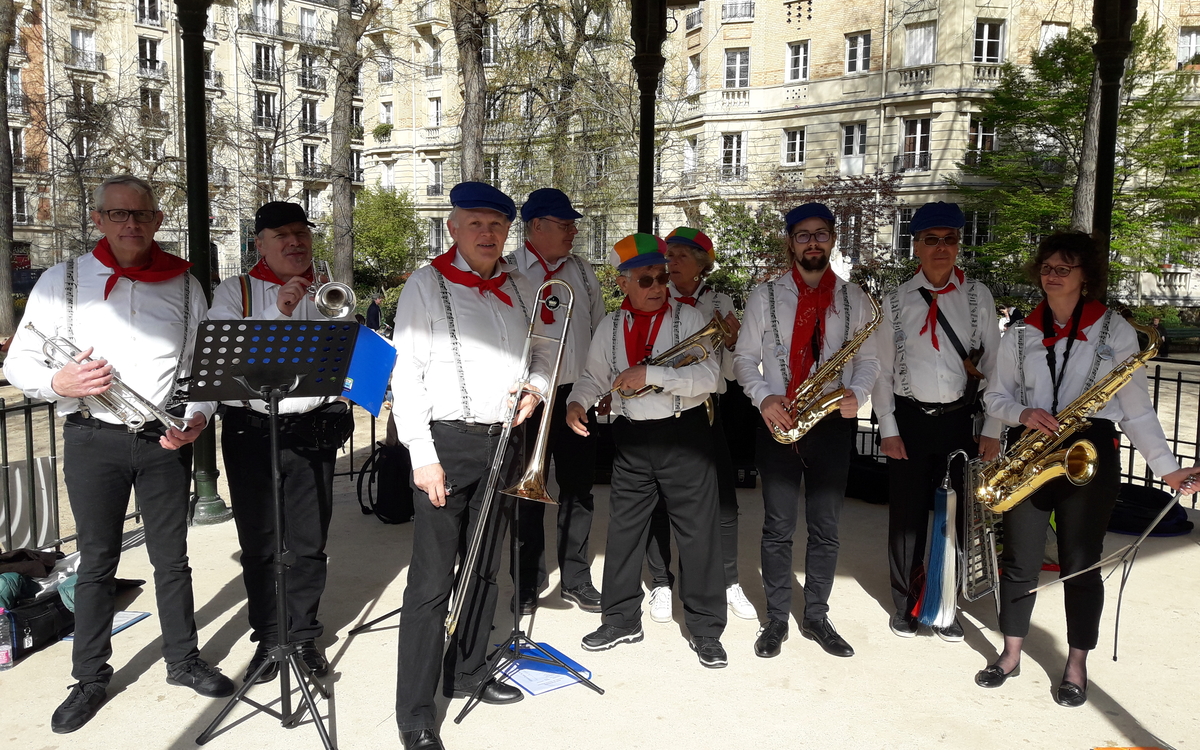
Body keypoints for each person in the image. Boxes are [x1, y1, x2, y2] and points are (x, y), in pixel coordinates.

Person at [3, 174, 234, 733]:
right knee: (97, 562)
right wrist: (59, 380)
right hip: (92, 437)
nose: (131, 224)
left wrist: (198, 417)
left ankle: (182, 660)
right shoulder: (63, 281)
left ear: (156, 221)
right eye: (118, 214)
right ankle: (89, 679)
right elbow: (19, 365)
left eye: (142, 215)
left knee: (172, 560)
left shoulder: (185, 285)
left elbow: (201, 370)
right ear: (99, 220)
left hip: (162, 440)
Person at [975, 231, 1198, 707]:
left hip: (1087, 449)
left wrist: (1168, 468)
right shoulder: (1018, 331)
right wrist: (1020, 415)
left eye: (1063, 268)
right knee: (1018, 559)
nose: (1051, 275)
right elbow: (994, 396)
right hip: (1031, 445)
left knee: (1081, 563)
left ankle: (1076, 663)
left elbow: (1136, 410)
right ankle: (1010, 652)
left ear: (1085, 277)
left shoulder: (1115, 330)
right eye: (1047, 266)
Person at [391, 182, 550, 750]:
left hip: (505, 442)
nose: (488, 234)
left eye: (497, 225)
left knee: (485, 566)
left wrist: (535, 387)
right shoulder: (425, 283)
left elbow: (542, 354)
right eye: (476, 224)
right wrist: (422, 455)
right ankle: (414, 712)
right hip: (447, 442)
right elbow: (405, 372)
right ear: (454, 228)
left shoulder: (522, 284)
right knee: (432, 582)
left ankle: (466, 670)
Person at [206, 202, 355, 685]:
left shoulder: (330, 291)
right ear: (260, 244)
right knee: (260, 542)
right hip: (253, 430)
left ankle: (305, 634)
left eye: (302, 234)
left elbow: (346, 359)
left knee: (310, 542)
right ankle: (270, 638)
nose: (295, 242)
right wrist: (281, 309)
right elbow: (227, 360)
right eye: (282, 235)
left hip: (312, 429)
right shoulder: (235, 292)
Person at [566, 234, 728, 669]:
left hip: (685, 435)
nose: (658, 285)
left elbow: (711, 377)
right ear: (623, 283)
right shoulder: (610, 327)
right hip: (632, 438)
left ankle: (706, 628)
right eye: (646, 279)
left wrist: (652, 373)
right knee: (623, 533)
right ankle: (620, 620)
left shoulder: (691, 318)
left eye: (661, 276)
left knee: (698, 536)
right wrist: (576, 403)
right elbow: (593, 377)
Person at [733, 203, 880, 659]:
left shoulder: (855, 299)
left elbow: (869, 360)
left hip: (832, 422)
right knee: (777, 527)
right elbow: (742, 360)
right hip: (780, 419)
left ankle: (816, 615)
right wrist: (764, 397)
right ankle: (777, 617)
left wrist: (857, 391)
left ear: (833, 240)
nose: (812, 242)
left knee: (827, 526)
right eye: (803, 235)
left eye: (821, 234)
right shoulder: (765, 296)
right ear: (790, 242)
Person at [870, 201, 1002, 641]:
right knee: (906, 517)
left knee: (953, 517)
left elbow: (997, 369)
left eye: (949, 239)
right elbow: (880, 370)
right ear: (916, 247)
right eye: (931, 240)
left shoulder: (978, 296)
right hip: (909, 420)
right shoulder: (894, 300)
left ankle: (945, 604)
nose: (941, 248)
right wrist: (887, 429)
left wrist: (992, 429)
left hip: (959, 421)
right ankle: (907, 602)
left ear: (958, 244)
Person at [644, 226, 754, 624]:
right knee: (658, 498)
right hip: (660, 407)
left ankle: (728, 580)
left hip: (706, 406)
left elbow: (729, 373)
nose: (670, 263)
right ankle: (661, 581)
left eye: (680, 256)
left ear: (702, 264)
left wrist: (734, 342)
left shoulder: (720, 300)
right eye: (668, 255)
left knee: (724, 497)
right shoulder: (656, 295)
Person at [510, 188, 607, 615]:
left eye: (573, 224)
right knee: (528, 495)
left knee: (579, 491)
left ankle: (577, 578)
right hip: (529, 399)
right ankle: (527, 582)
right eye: (564, 224)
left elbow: (602, 332)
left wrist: (598, 389)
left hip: (576, 396)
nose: (572, 231)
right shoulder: (509, 271)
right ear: (536, 226)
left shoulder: (584, 272)